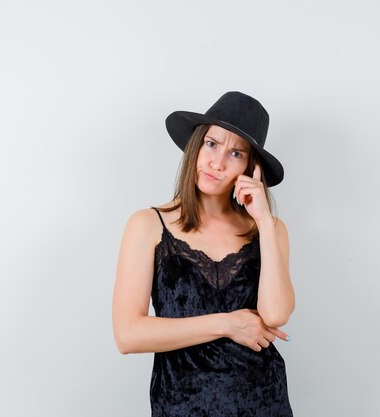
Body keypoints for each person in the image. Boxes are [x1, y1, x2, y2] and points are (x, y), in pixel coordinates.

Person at [112, 91, 295, 416]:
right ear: (196, 146)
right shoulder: (148, 225)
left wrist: (265, 222)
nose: (218, 163)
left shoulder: (270, 229)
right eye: (212, 144)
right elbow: (128, 335)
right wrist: (228, 324)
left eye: (235, 153)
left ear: (250, 166)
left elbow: (276, 315)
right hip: (182, 405)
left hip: (263, 402)